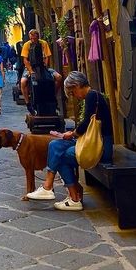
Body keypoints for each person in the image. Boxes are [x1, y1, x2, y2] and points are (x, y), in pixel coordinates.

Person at [27, 71, 114, 210]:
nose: (75, 96)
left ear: (78, 85)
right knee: (55, 145)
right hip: (97, 143)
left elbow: (86, 124)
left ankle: (65, 194)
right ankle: (52, 188)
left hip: (101, 147)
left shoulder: (92, 96)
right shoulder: (94, 96)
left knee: (60, 154)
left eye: (73, 92)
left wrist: (72, 134)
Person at [20, 29, 54, 107]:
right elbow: (25, 60)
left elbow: (47, 57)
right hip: (30, 67)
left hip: (42, 67)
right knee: (23, 82)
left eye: (34, 38)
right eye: (31, 38)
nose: (33, 40)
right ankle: (27, 102)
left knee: (58, 77)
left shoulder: (43, 43)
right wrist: (31, 71)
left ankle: (52, 96)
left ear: (37, 37)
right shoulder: (26, 45)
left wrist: (45, 66)